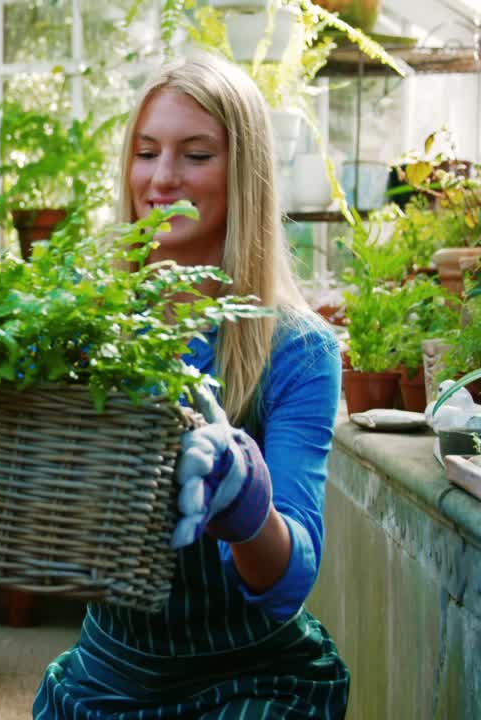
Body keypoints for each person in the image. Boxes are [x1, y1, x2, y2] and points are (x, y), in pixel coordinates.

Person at [32, 54, 348, 719]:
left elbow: (292, 578)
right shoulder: (86, 327)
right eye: (147, 152)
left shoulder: (296, 352)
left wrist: (245, 499)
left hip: (249, 684)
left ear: (246, 173)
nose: (163, 177)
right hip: (105, 679)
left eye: (196, 155)